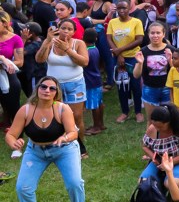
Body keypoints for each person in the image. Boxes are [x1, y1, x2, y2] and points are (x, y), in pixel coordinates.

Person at [4, 76, 89, 202]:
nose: (47, 90)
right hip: (35, 151)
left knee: (74, 183)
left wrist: (64, 138)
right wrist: (13, 143)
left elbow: (73, 133)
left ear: (56, 93)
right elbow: (10, 135)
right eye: (43, 87)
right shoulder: (26, 110)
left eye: (52, 88)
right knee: (23, 187)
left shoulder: (63, 108)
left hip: (65, 150)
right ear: (37, 89)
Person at [35, 19, 90, 158]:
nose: (66, 31)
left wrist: (67, 49)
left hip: (75, 84)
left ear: (74, 32)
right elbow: (39, 59)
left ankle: (79, 146)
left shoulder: (78, 43)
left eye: (69, 29)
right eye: (63, 28)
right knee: (56, 116)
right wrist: (47, 41)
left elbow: (84, 62)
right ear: (58, 28)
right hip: (54, 86)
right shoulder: (50, 42)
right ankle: (60, 143)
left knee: (76, 116)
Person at [140, 103, 179, 193]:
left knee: (171, 184)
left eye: (160, 126)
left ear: (169, 122)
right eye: (154, 125)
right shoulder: (153, 129)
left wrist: (170, 163)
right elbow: (145, 146)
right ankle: (162, 186)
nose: (157, 128)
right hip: (161, 163)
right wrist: (153, 157)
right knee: (143, 183)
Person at [107, 0, 145, 123]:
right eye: (119, 8)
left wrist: (120, 50)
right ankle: (125, 112)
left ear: (130, 8)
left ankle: (138, 111)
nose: (121, 10)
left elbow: (139, 40)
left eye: (124, 8)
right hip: (118, 59)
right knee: (122, 85)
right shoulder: (113, 22)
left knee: (135, 85)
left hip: (134, 57)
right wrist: (119, 55)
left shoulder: (136, 22)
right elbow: (109, 38)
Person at [135, 22, 174, 120]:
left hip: (168, 89)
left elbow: (177, 72)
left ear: (163, 34)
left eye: (158, 33)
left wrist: (170, 61)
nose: (155, 35)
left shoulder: (171, 49)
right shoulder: (143, 51)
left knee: (169, 120)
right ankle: (151, 136)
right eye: (152, 33)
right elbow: (136, 75)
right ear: (148, 34)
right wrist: (140, 63)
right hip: (150, 89)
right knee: (152, 120)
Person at [0, 10, 24, 130]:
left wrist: (4, 64)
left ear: (4, 23)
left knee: (13, 104)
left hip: (8, 73)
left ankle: (17, 129)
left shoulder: (15, 39)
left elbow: (20, 62)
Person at [81, 29, 105, 135]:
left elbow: (84, 64)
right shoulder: (95, 49)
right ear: (96, 38)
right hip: (97, 79)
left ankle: (96, 127)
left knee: (94, 105)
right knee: (99, 103)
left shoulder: (87, 51)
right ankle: (101, 124)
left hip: (90, 81)